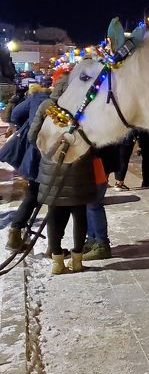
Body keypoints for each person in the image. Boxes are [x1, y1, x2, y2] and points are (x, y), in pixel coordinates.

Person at [29, 71, 97, 274]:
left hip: (52, 168)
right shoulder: (85, 109)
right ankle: (77, 260)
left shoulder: (46, 107)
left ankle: (57, 262)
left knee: (55, 213)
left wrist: (50, 151)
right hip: (80, 168)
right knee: (79, 213)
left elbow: (33, 136)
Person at [0, 78, 51, 250]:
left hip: (35, 153)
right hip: (54, 154)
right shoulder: (64, 100)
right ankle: (54, 249)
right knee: (56, 201)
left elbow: (15, 115)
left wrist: (28, 127)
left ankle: (15, 233)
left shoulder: (35, 97)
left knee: (33, 193)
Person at [83, 140, 123, 260]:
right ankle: (92, 239)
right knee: (89, 205)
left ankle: (101, 243)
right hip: (98, 161)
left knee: (94, 204)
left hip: (99, 162)